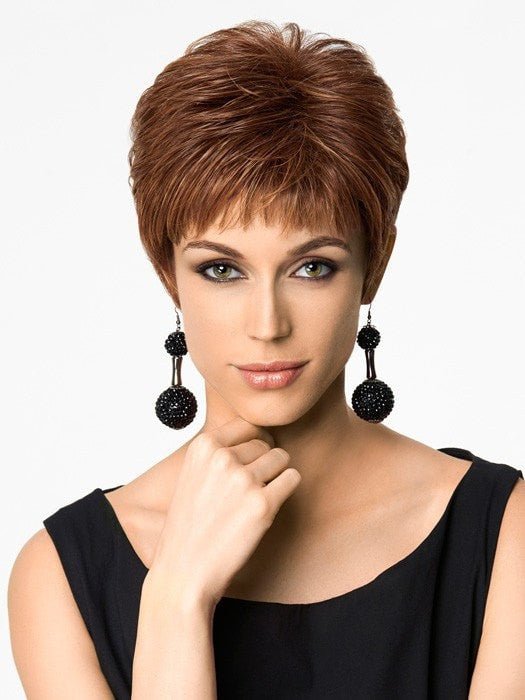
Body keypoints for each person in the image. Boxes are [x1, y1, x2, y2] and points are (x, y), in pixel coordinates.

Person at [7, 19, 525, 699]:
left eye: (312, 267)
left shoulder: (503, 536)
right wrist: (175, 599)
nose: (267, 325)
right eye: (222, 270)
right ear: (168, 274)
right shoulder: (58, 578)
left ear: (374, 265)